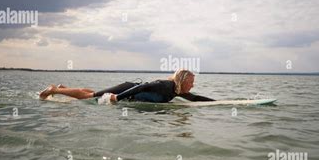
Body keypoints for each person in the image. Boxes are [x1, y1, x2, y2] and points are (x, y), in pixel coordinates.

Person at [39, 69, 214, 103]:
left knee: (94, 93)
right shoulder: (166, 86)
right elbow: (143, 87)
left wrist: (224, 102)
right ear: (182, 81)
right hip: (127, 89)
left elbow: (195, 98)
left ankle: (63, 88)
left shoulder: (176, 91)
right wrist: (118, 97)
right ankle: (54, 89)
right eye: (191, 82)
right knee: (90, 97)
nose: (193, 85)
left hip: (128, 90)